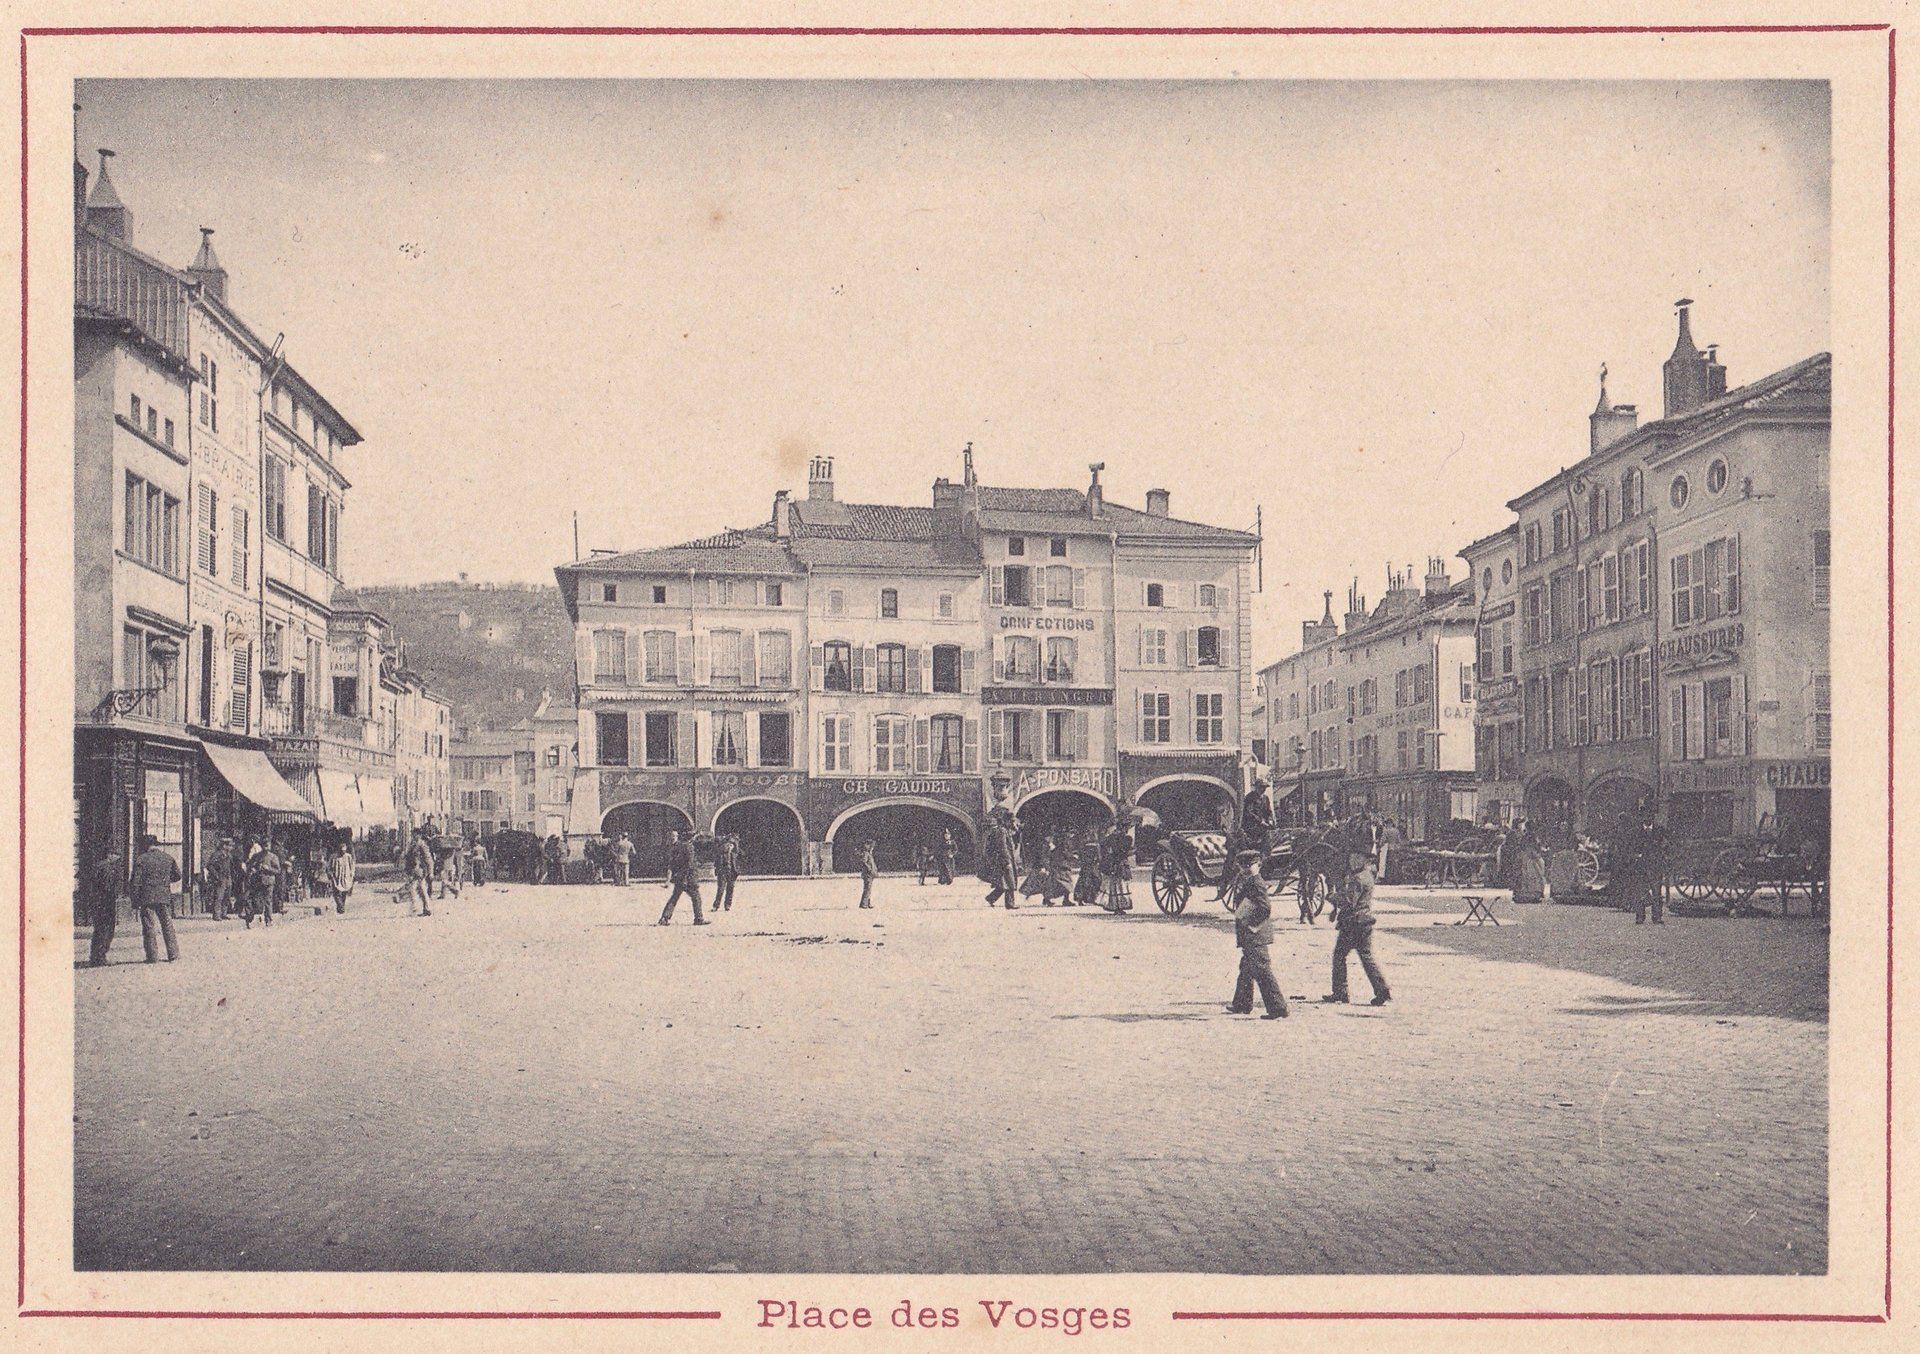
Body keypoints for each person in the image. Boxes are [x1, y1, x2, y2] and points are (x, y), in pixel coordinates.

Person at [1226, 849, 1288, 1019]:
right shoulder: (1250, 881)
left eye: (1250, 866)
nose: (1245, 869)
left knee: (1262, 970)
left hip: (1255, 934)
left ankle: (1278, 1008)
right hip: (1252, 934)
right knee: (1246, 967)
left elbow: (1265, 908)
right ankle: (1242, 1003)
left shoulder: (1256, 882)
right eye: (1243, 866)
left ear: (1258, 865)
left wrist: (1251, 924)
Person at [1325, 850, 1390, 1006]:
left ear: (1363, 860)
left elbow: (1348, 901)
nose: (1352, 861)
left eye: (1356, 858)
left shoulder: (1358, 879)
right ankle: (1382, 989)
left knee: (1339, 955)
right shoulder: (1367, 876)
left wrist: (1331, 897)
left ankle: (1340, 992)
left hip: (1353, 923)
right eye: (1351, 857)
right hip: (1365, 922)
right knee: (1366, 957)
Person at [127, 834, 182, 963]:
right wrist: (164, 882)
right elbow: (178, 876)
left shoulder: (141, 860)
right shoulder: (168, 858)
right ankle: (173, 954)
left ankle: (152, 956)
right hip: (164, 896)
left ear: (145, 846)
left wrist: (135, 900)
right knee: (167, 925)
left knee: (149, 926)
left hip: (147, 897)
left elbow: (135, 882)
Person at [86, 846, 125, 967]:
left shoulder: (98, 865)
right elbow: (108, 887)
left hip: (97, 902)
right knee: (106, 930)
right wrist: (116, 893)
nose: (118, 858)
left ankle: (95, 956)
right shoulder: (108, 867)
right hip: (106, 902)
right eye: (116, 855)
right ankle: (100, 957)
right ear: (110, 854)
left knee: (99, 930)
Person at [658, 828, 706, 925]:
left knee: (674, 897)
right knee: (696, 897)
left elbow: (672, 864)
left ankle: (664, 918)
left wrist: (670, 879)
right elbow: (689, 864)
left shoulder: (676, 847)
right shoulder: (689, 847)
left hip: (679, 877)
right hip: (688, 878)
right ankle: (699, 919)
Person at [983, 810, 1019, 908]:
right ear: (1005, 821)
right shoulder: (1002, 831)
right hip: (1004, 860)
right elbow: (1002, 847)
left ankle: (991, 898)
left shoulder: (1005, 830)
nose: (1012, 823)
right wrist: (1007, 861)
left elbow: (1016, 836)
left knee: (1004, 882)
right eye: (1011, 821)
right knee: (1009, 882)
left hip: (1007, 859)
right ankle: (1010, 904)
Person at [1100, 818, 1135, 913]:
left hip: (1113, 862)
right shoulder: (1127, 838)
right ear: (1124, 828)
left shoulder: (1111, 837)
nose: (1127, 829)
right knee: (1121, 885)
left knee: (1114, 885)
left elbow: (1103, 845)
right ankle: (1119, 907)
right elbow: (1124, 851)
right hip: (1120, 863)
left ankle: (1114, 906)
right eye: (1127, 827)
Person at [1510, 818, 1547, 903]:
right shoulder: (1533, 836)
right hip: (1532, 857)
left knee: (1526, 875)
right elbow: (1536, 848)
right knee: (1536, 874)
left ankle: (1525, 894)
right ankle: (1534, 894)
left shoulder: (1524, 836)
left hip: (1525, 857)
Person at [245, 841, 281, 928]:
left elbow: (278, 870)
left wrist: (269, 869)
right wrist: (253, 869)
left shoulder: (273, 857)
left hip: (269, 881)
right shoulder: (257, 856)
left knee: (268, 901)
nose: (266, 847)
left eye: (267, 845)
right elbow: (250, 865)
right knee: (256, 900)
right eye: (264, 845)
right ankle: (254, 918)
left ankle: (268, 920)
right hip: (258, 880)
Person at [403, 831, 435, 916]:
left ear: (419, 835)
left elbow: (428, 859)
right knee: (422, 890)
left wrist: (431, 872)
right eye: (412, 834)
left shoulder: (422, 845)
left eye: (415, 834)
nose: (413, 836)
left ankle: (415, 909)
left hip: (420, 870)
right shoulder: (414, 844)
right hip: (415, 870)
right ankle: (427, 909)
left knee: (413, 889)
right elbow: (410, 858)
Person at [203, 837, 234, 921]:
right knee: (219, 896)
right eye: (230, 846)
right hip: (220, 877)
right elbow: (210, 866)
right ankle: (216, 915)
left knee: (227, 896)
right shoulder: (217, 854)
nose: (231, 847)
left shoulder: (229, 855)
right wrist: (216, 876)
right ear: (224, 846)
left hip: (228, 877)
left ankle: (224, 913)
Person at [1070, 828, 1103, 907]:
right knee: (1095, 880)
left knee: (1084, 881)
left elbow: (1080, 854)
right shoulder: (1096, 844)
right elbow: (1099, 856)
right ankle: (1090, 898)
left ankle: (1081, 899)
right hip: (1092, 865)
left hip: (1086, 864)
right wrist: (1099, 862)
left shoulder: (1083, 843)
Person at [327, 837, 355, 914]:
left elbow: (352, 866)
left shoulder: (348, 856)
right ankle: (340, 905)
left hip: (345, 878)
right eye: (341, 850)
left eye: (344, 850)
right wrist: (330, 874)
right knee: (336, 892)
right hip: (336, 878)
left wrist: (351, 875)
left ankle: (341, 906)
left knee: (344, 893)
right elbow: (329, 866)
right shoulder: (334, 857)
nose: (343, 852)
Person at [713, 833, 740, 911]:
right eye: (728, 845)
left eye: (731, 845)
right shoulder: (721, 853)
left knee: (730, 888)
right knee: (721, 889)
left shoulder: (734, 854)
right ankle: (716, 905)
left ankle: (727, 905)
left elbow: (737, 856)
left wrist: (736, 871)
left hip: (731, 871)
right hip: (723, 871)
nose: (730, 847)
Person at [439, 835, 465, 900]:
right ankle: (443, 894)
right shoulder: (452, 850)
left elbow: (444, 857)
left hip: (446, 866)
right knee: (444, 880)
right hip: (448, 866)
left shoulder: (449, 851)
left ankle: (455, 891)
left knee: (445, 881)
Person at [857, 839, 879, 909]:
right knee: (867, 889)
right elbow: (864, 862)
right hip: (868, 874)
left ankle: (867, 903)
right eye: (871, 846)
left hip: (870, 874)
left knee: (868, 889)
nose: (872, 848)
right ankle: (864, 904)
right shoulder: (866, 853)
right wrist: (869, 869)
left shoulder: (869, 854)